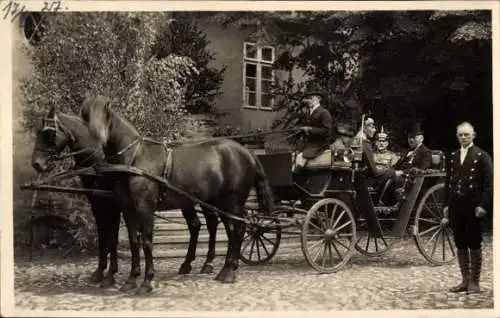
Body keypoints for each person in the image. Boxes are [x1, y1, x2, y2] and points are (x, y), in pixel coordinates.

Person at [444, 122, 493, 294]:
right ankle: (464, 280)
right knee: (460, 241)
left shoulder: (482, 156)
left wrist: (483, 205)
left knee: (474, 241)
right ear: (457, 136)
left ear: (473, 135)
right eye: (460, 135)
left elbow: (489, 185)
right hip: (457, 205)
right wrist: (446, 205)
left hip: (474, 206)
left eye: (466, 134)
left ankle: (474, 282)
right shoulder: (454, 156)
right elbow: (448, 183)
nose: (463, 137)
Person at [294, 90, 334, 171]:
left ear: (318, 99)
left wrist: (310, 129)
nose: (308, 101)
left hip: (319, 145)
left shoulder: (324, 113)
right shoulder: (309, 113)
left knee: (299, 161)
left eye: (311, 98)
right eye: (307, 99)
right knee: (291, 157)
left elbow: (327, 132)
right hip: (308, 144)